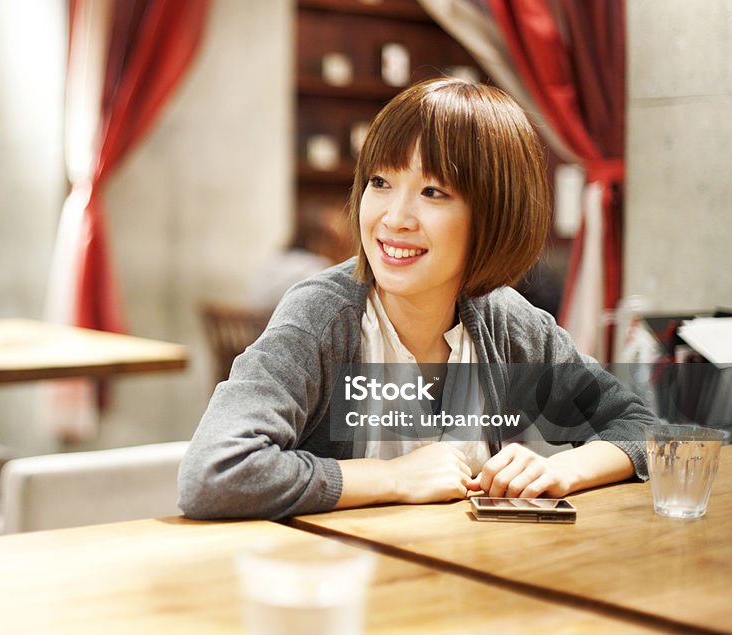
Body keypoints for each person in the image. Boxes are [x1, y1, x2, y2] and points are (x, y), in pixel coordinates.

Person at [178, 78, 656, 520]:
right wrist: (392, 477)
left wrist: (562, 471)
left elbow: (642, 427)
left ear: (494, 214)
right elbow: (215, 471)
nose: (394, 218)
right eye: (380, 183)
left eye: (432, 191)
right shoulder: (324, 315)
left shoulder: (504, 321)